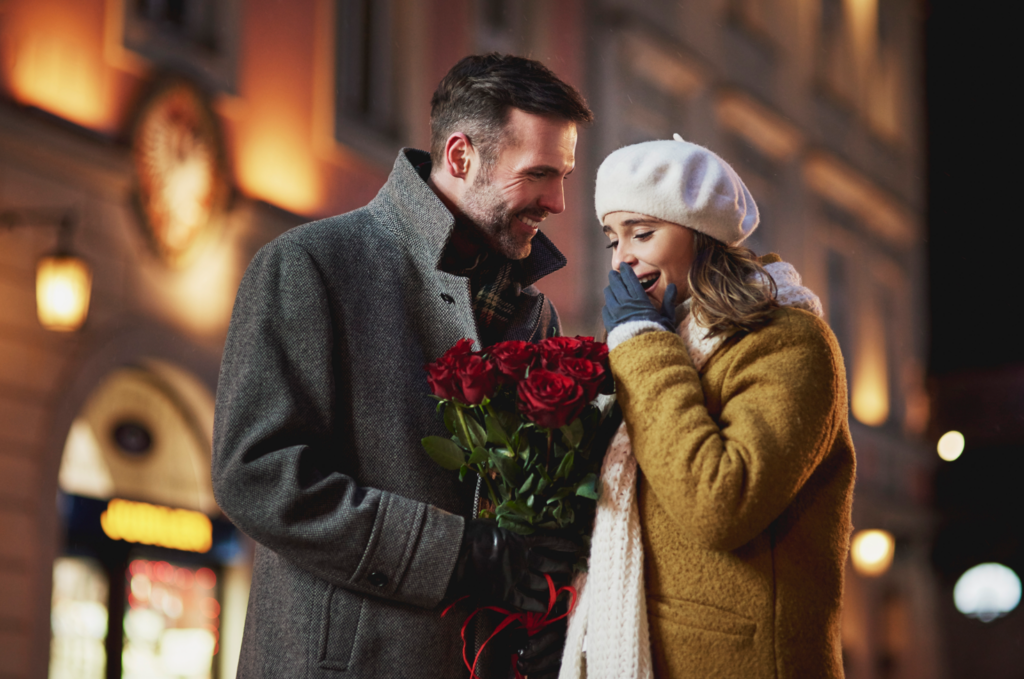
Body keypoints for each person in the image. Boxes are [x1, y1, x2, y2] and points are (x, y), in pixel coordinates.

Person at [212, 54, 593, 679]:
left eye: (565, 176)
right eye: (541, 174)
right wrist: (457, 555)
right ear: (462, 156)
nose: (557, 200)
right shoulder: (311, 263)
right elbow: (257, 475)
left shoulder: (535, 314)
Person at [564, 136, 855, 678]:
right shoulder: (667, 341)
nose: (624, 257)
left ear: (703, 236)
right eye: (612, 239)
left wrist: (641, 341)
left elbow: (720, 504)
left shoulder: (788, 341)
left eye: (643, 233)